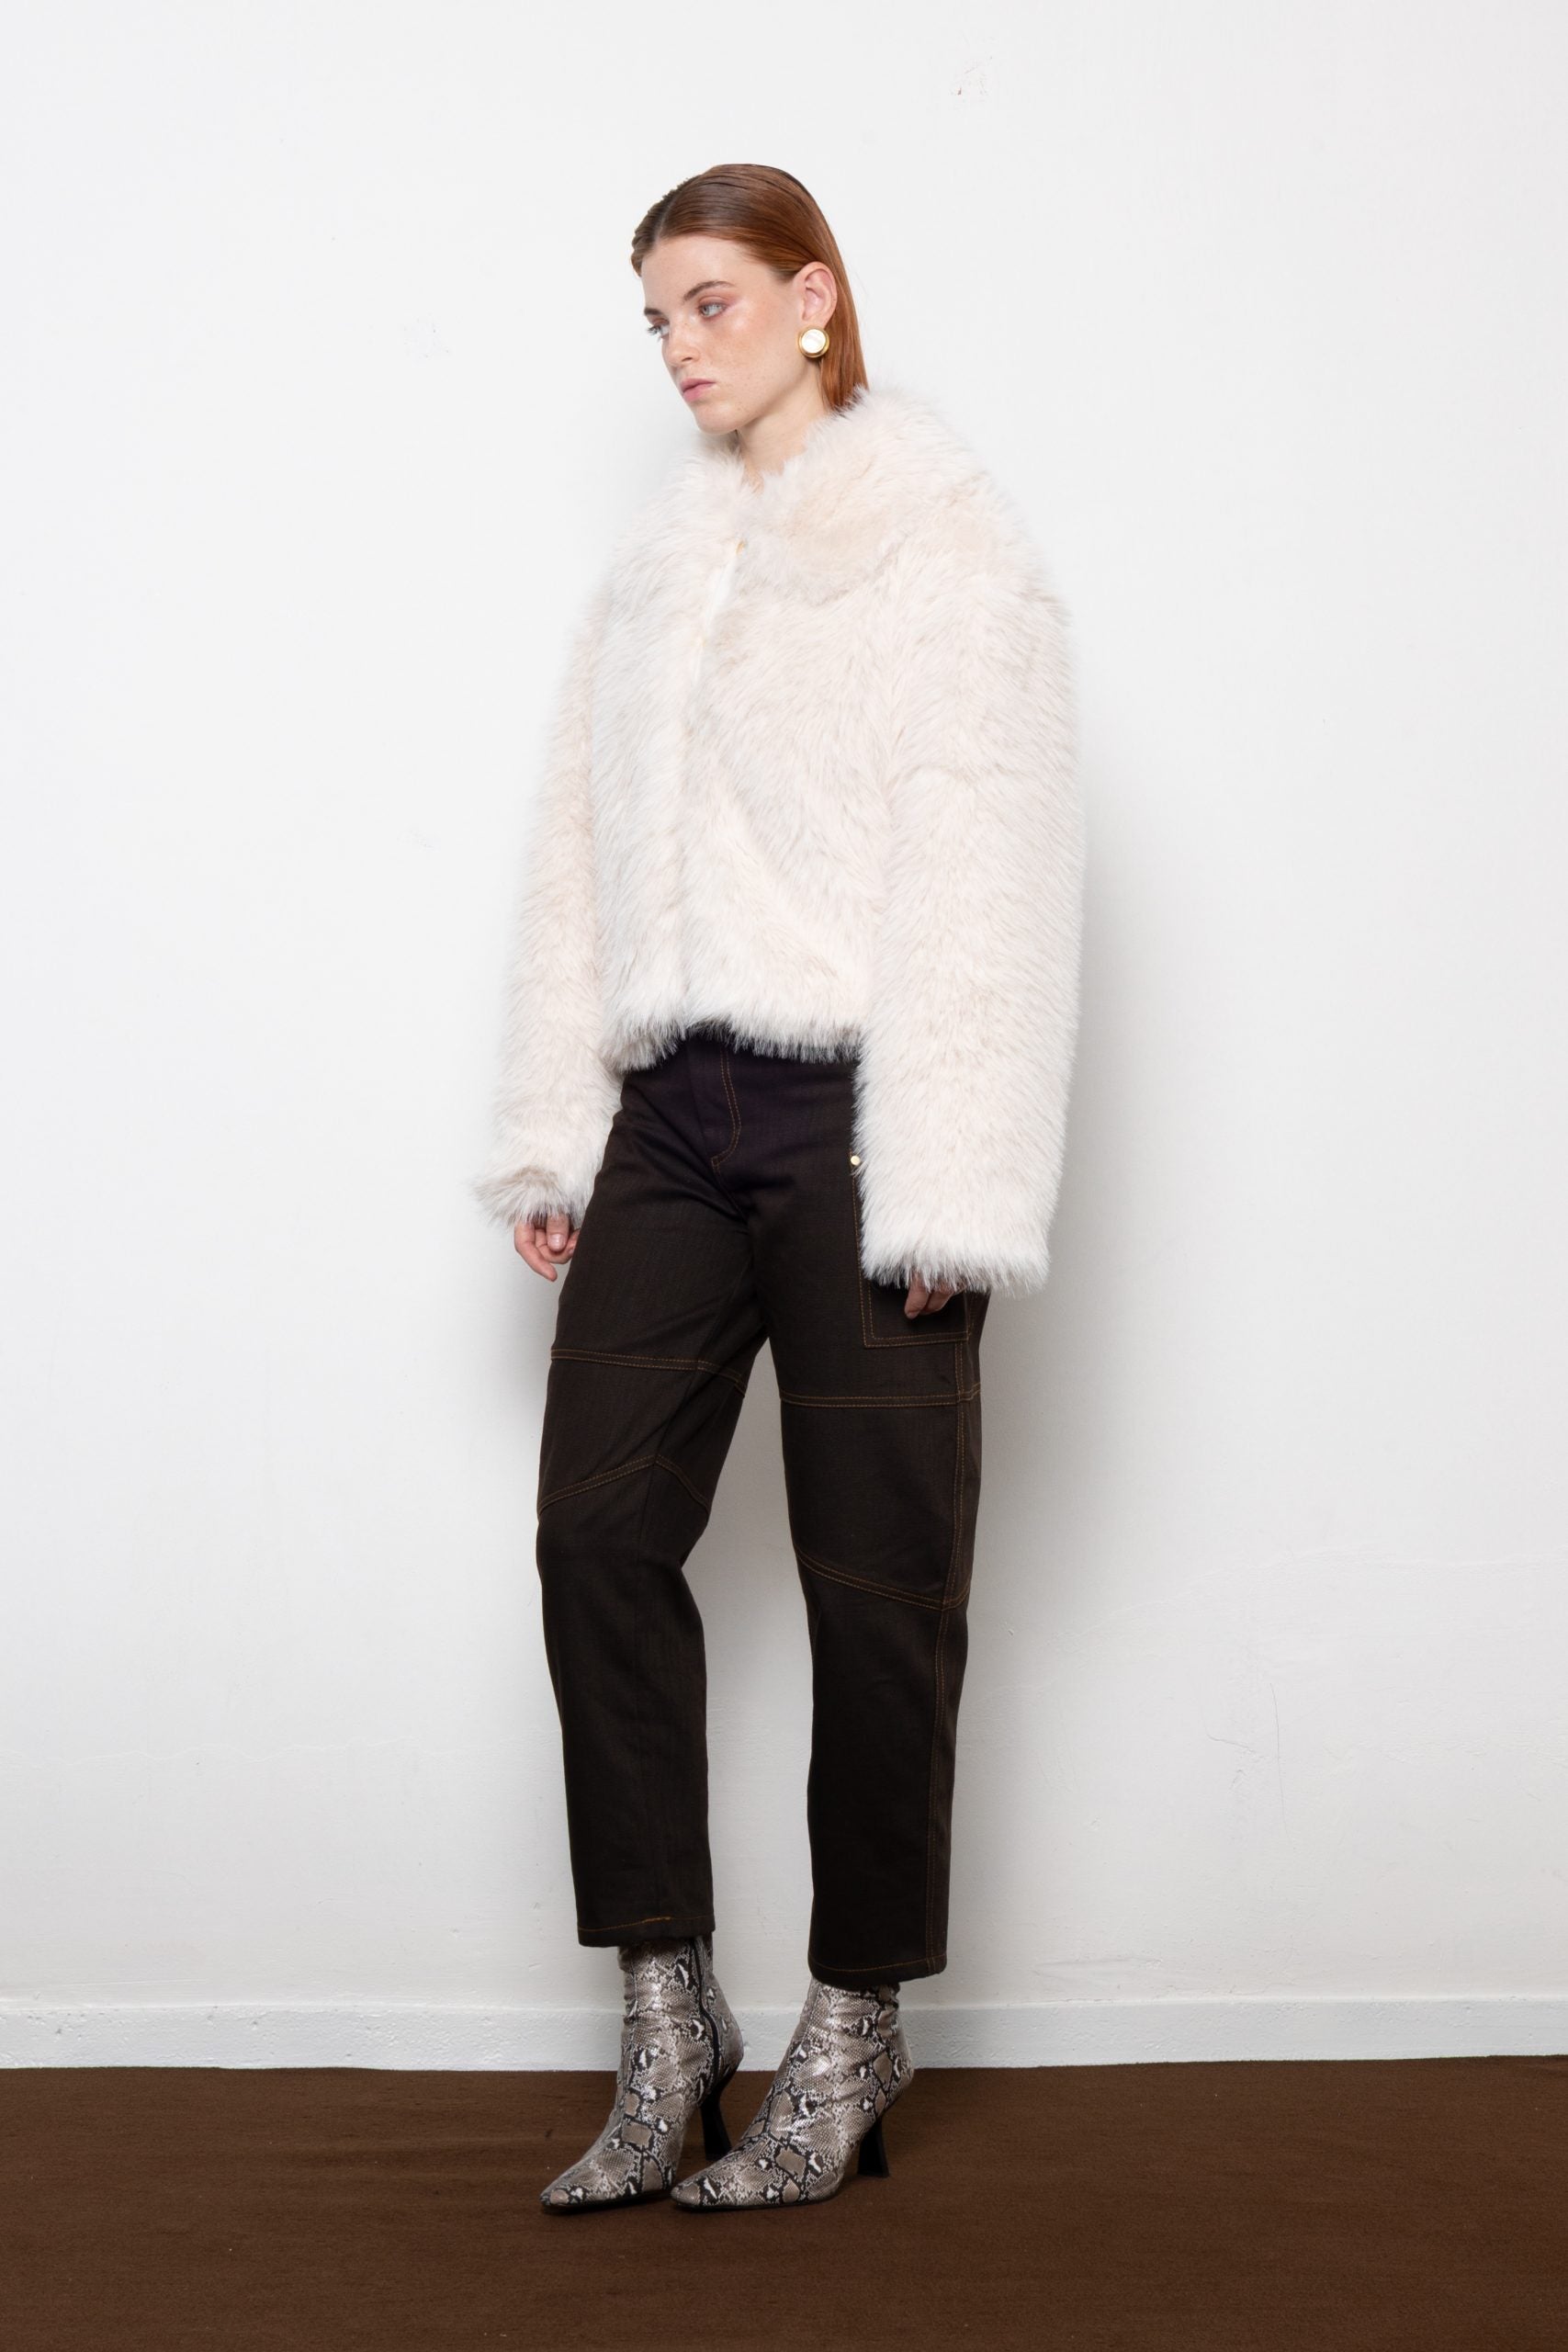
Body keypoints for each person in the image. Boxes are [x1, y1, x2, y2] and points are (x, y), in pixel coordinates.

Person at [471, 163, 1086, 2211]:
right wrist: (557, 1120)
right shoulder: (658, 569)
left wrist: (952, 1179)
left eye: (711, 302)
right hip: (668, 1110)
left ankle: (855, 2014)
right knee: (592, 1533)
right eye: (656, 317)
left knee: (875, 1582)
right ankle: (669, 2012)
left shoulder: (942, 543)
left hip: (859, 1123)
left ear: (815, 298)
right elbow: (579, 850)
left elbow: (991, 864)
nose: (679, 348)